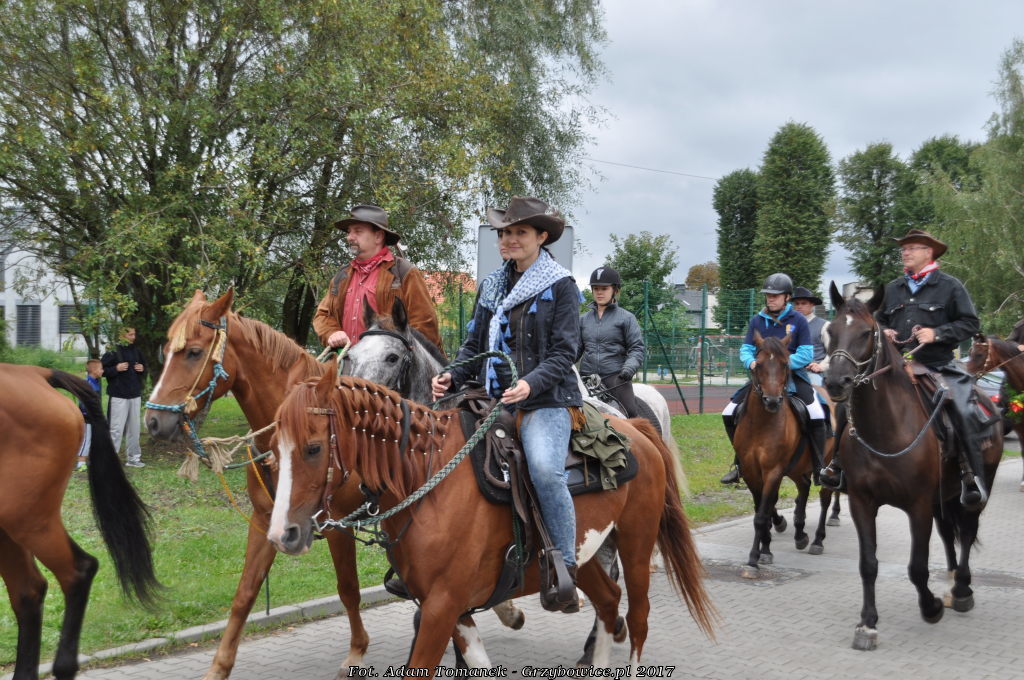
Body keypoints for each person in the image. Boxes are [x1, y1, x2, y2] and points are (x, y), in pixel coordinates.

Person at [431, 196, 583, 613]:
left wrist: (530, 385)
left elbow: (565, 351)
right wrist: (452, 374)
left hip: (545, 400)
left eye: (519, 232)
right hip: (490, 398)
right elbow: (474, 345)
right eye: (505, 232)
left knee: (545, 470)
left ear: (541, 237)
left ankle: (564, 568)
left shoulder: (561, 285)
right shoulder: (492, 285)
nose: (509, 239)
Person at [820, 229, 988, 508]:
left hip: (938, 365)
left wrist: (937, 333)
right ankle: (837, 466)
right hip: (894, 366)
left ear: (929, 252)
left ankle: (971, 476)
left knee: (963, 408)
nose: (905, 252)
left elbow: (970, 324)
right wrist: (884, 331)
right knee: (846, 404)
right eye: (903, 249)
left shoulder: (951, 286)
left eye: (912, 248)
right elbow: (877, 322)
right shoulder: (894, 288)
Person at [719, 273, 827, 485]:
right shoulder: (757, 320)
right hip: (762, 378)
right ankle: (740, 464)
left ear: (787, 297)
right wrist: (751, 362)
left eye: (775, 295)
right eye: (768, 295)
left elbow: (806, 353)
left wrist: (780, 364)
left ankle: (819, 467)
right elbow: (746, 349)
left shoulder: (798, 320)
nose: (771, 298)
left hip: (793, 376)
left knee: (817, 412)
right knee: (728, 412)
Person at [313, 203, 443, 353]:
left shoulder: (404, 272)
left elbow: (424, 324)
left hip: (388, 366)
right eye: (349, 232)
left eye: (358, 231)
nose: (349, 237)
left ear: (378, 236)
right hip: (346, 363)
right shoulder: (342, 276)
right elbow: (323, 315)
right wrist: (332, 332)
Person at [578, 266, 645, 417]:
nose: (599, 292)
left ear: (615, 290)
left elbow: (637, 348)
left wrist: (628, 369)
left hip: (615, 377)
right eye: (596, 288)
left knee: (630, 412)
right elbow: (575, 349)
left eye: (604, 288)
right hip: (586, 378)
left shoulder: (627, 318)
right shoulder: (582, 320)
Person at [102, 327, 147, 468]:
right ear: (122, 335)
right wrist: (116, 369)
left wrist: (142, 369)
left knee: (134, 429)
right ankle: (111, 461)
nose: (133, 337)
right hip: (118, 396)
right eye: (130, 334)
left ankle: (133, 459)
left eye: (134, 334)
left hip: (135, 395)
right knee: (115, 430)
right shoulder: (112, 351)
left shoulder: (137, 351)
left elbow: (144, 368)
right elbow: (101, 370)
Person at [790, 287, 827, 386]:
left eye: (803, 303)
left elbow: (833, 352)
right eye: (797, 304)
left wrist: (821, 366)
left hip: (812, 373)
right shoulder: (789, 325)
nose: (799, 306)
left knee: (817, 395)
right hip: (788, 371)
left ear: (812, 304)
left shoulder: (824, 325)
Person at [75, 359, 103, 472]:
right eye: (101, 369)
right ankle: (80, 463)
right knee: (85, 439)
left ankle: (89, 459)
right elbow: (84, 403)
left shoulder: (95, 382)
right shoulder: (88, 384)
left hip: (93, 417)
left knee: (91, 439)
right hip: (87, 418)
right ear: (94, 371)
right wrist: (88, 414)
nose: (103, 371)